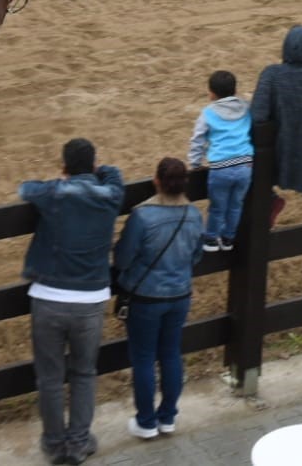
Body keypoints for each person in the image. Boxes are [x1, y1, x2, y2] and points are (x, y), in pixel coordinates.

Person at [19, 139, 125, 464]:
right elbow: (115, 175)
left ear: (64, 168)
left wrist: (63, 180)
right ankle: (79, 442)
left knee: (50, 377)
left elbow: (26, 188)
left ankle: (54, 443)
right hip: (91, 299)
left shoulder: (54, 194)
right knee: (84, 373)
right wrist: (97, 170)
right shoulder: (111, 196)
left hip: (49, 297)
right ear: (93, 166)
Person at [114, 157, 203, 441]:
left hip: (146, 298)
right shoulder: (193, 214)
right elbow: (196, 255)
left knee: (143, 359)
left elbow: (123, 259)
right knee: (171, 354)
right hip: (180, 294)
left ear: (156, 181)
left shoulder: (142, 216)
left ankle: (146, 421)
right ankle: (167, 418)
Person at [249, 25, 302, 224]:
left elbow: (257, 116)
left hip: (281, 150)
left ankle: (271, 198)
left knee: (252, 160)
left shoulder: (272, 75)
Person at [187, 70, 252, 252]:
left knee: (217, 206)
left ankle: (211, 240)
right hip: (245, 165)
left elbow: (198, 140)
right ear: (235, 90)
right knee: (236, 205)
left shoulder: (208, 113)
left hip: (221, 167)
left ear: (212, 93)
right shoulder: (246, 108)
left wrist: (195, 163)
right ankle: (228, 238)